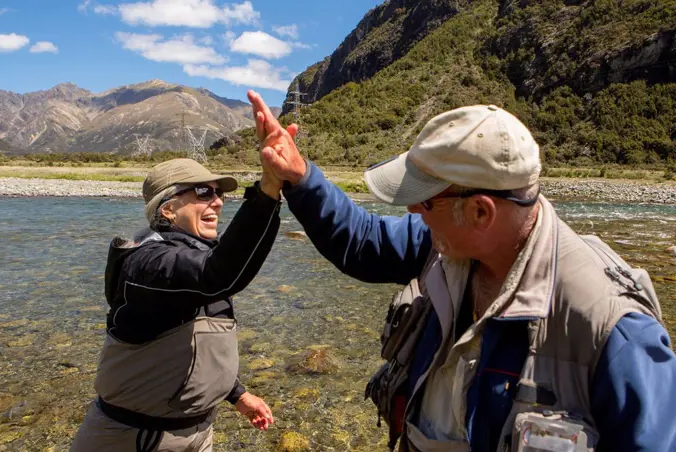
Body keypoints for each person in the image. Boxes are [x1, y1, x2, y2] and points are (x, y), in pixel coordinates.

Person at [246, 90, 676, 452]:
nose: (413, 210)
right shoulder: (446, 242)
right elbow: (364, 242)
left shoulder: (614, 333)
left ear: (480, 211)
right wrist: (300, 178)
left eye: (425, 200)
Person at [71, 158, 282, 452]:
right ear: (168, 208)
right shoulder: (149, 263)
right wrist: (267, 192)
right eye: (203, 193)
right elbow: (218, 275)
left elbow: (198, 347)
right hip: (135, 438)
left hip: (196, 433)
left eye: (218, 194)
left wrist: (238, 395)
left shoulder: (196, 257)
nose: (218, 203)